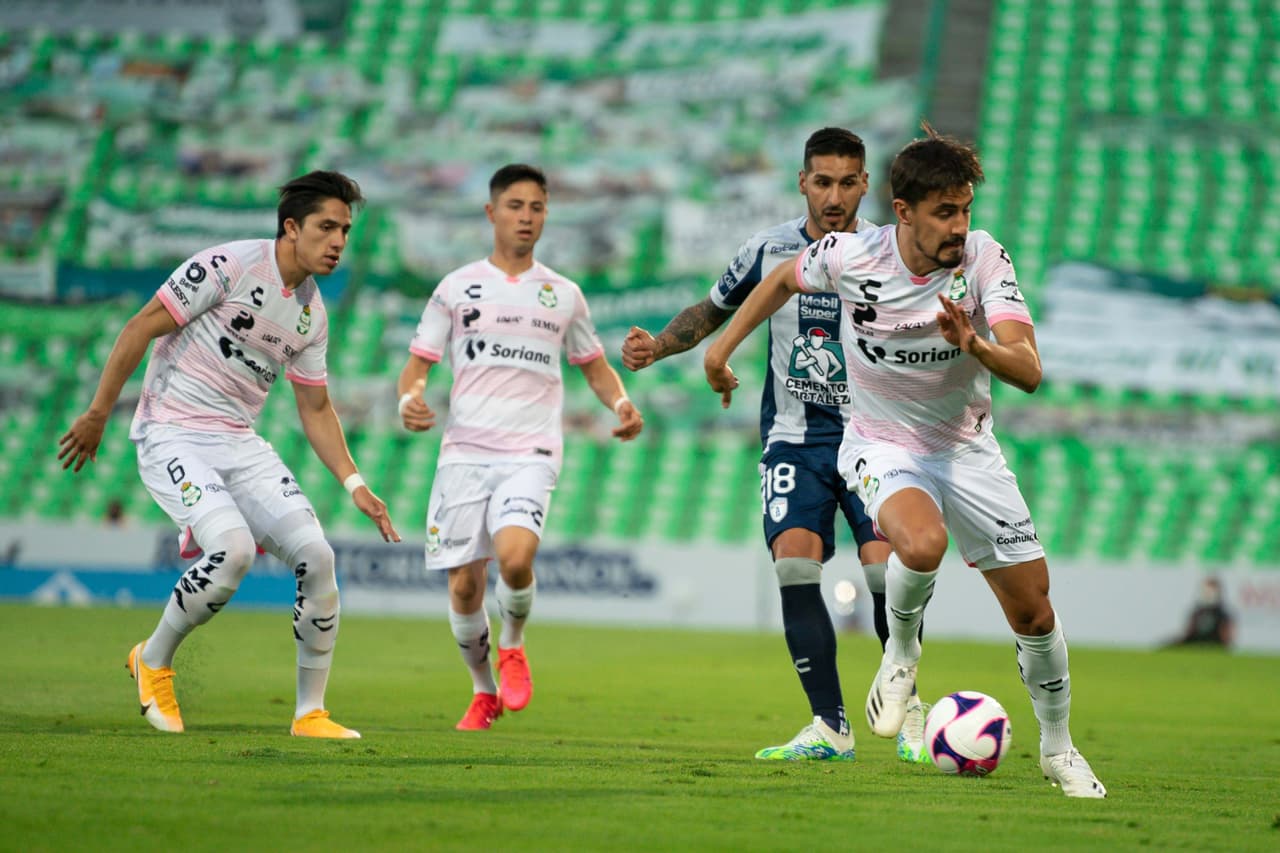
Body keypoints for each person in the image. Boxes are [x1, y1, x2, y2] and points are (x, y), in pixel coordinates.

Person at [702, 123, 1107, 797]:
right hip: (881, 442)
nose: (959, 224)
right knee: (921, 543)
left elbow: (1029, 370)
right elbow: (780, 280)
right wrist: (720, 352)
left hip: (968, 448)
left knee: (1034, 611)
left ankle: (1060, 748)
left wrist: (974, 343)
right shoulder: (851, 256)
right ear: (905, 211)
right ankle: (902, 651)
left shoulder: (982, 258)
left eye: (965, 209)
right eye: (945, 211)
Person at [621, 128, 929, 764]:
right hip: (795, 437)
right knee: (794, 562)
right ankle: (830, 726)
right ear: (802, 181)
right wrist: (659, 345)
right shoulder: (768, 250)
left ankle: (910, 710)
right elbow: (710, 312)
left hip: (872, 438)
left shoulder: (887, 251)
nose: (835, 195)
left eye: (848, 182)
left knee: (884, 574)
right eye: (823, 181)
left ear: (866, 184)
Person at [58, 170, 401, 739]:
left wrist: (354, 483)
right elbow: (141, 326)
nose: (340, 241)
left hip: (239, 441)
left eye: (346, 229)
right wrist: (98, 412)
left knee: (318, 557)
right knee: (234, 550)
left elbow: (316, 410)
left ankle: (309, 713)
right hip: (173, 431)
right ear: (291, 227)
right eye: (327, 227)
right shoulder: (229, 266)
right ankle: (154, 659)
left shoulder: (313, 314)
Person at [398, 163, 643, 731]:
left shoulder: (564, 294)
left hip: (530, 451)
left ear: (546, 214)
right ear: (491, 213)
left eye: (536, 207)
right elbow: (418, 366)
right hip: (464, 452)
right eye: (515, 206)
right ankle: (484, 691)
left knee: (515, 557)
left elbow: (595, 367)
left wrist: (622, 404)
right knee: (464, 585)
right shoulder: (457, 287)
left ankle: (512, 642)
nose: (525, 217)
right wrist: (410, 398)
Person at [1167, 576, 1235, 648]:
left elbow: (1226, 639)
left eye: (1212, 591)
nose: (1208, 594)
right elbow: (1188, 633)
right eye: (1206, 590)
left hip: (1212, 647)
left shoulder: (1222, 614)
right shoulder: (1197, 612)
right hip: (1193, 646)